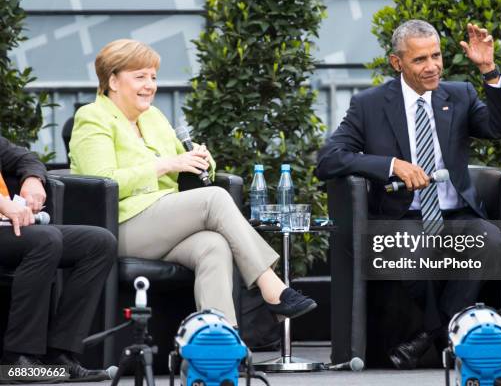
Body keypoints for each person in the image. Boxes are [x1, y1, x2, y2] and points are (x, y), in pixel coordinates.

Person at [69, 39, 316, 328]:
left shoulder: (153, 117)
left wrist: (202, 158)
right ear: (112, 80)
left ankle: (220, 342)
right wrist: (164, 165)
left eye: (153, 77)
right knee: (214, 199)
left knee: (213, 246)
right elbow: (102, 182)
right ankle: (272, 288)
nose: (150, 85)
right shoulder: (92, 117)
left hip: (161, 223)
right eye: (140, 77)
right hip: (118, 226)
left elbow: (183, 161)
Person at [316, 20, 501, 369]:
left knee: (489, 238)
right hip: (403, 216)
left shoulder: (460, 95)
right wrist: (392, 165)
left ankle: (429, 336)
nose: (432, 67)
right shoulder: (370, 105)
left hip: (456, 215)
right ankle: (449, 337)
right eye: (420, 60)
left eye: (436, 56)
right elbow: (329, 159)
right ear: (398, 64)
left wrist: (488, 69)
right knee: (408, 244)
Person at [0, 136, 116, 381]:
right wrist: (3, 204)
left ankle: (59, 355)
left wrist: (33, 179)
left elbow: (25, 157)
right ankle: (16, 359)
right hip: (8, 224)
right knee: (47, 239)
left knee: (98, 243)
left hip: (10, 228)